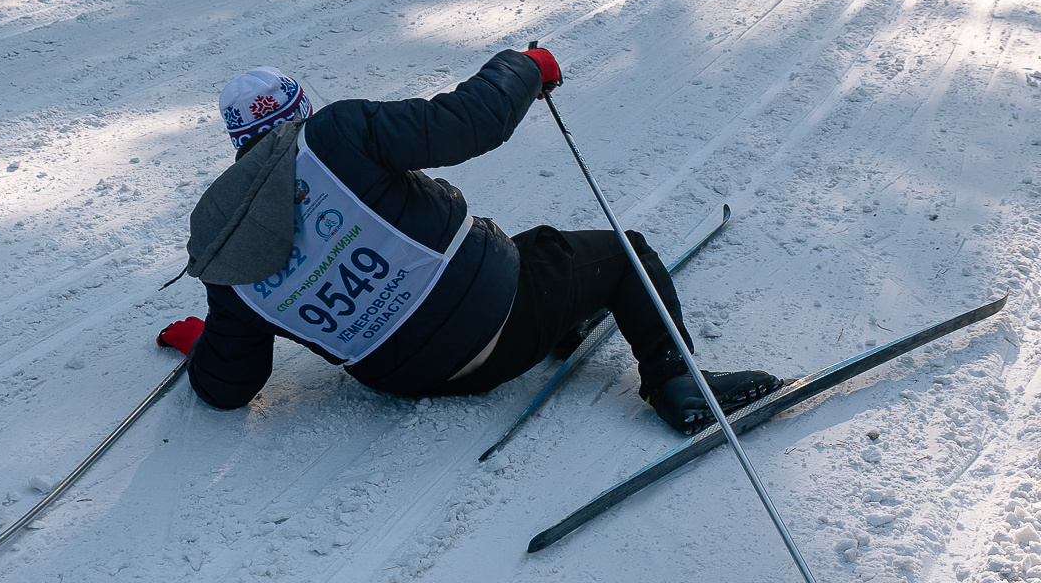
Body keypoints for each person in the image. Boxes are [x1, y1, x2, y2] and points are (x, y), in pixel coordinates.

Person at [158, 50, 781, 434]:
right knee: (624, 256)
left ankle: (565, 324)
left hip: (413, 380)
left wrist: (213, 344)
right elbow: (469, 122)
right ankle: (676, 383)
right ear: (300, 110)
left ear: (239, 143)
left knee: (537, 248)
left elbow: (227, 389)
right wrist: (526, 68)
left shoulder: (228, 246)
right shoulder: (336, 134)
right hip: (504, 323)